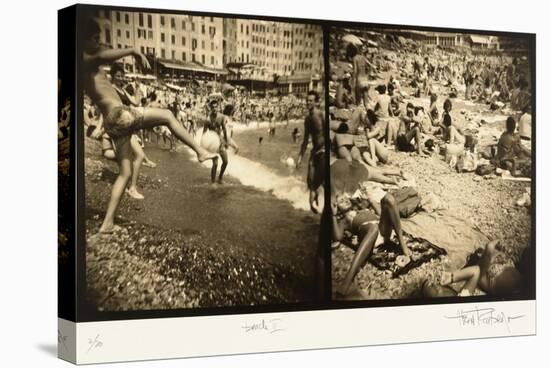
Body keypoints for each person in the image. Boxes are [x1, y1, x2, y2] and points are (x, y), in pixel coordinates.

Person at [83, 19, 216, 234]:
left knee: (125, 173)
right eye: (95, 39)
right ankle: (200, 151)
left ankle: (107, 223)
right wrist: (133, 50)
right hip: (119, 115)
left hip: (112, 122)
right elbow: (100, 56)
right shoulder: (86, 59)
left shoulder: (84, 66)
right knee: (168, 116)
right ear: (83, 40)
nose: (99, 43)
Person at [331, 192, 412, 297]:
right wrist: (332, 215)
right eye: (341, 201)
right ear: (337, 207)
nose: (345, 200)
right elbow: (338, 237)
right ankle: (348, 280)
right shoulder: (344, 220)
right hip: (369, 235)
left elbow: (381, 213)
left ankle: (402, 244)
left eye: (345, 198)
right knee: (373, 228)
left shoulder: (362, 208)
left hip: (383, 229)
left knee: (388, 199)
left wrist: (370, 200)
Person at [297, 90, 326, 214]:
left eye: (311, 101)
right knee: (310, 181)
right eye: (307, 100)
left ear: (316, 102)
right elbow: (305, 140)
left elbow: (327, 132)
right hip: (315, 151)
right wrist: (299, 158)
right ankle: (314, 208)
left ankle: (321, 207)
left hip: (324, 151)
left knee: (320, 182)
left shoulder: (321, 115)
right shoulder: (308, 119)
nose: (308, 102)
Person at [203, 99, 232, 184]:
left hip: (220, 142)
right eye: (213, 107)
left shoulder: (221, 117)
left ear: (218, 107)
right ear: (210, 108)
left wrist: (226, 141)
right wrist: (204, 147)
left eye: (216, 107)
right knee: (215, 164)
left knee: (225, 162)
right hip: (212, 144)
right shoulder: (208, 119)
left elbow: (224, 129)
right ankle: (213, 182)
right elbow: (204, 133)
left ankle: (220, 178)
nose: (214, 109)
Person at [347, 43, 370, 109]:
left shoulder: (355, 58)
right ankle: (367, 112)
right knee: (366, 102)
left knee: (358, 102)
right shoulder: (363, 57)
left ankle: (358, 114)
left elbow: (355, 71)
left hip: (359, 79)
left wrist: (352, 80)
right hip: (365, 79)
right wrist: (367, 74)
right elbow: (369, 67)